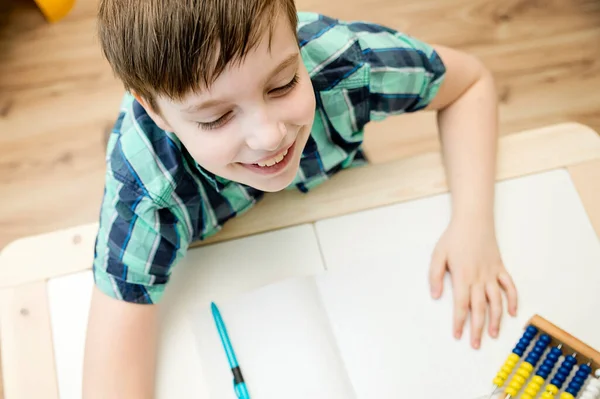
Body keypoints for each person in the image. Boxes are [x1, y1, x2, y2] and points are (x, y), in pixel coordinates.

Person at [83, 0, 519, 396]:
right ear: (155, 111)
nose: (270, 135)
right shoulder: (144, 186)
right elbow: (111, 373)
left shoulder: (338, 59)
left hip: (346, 220)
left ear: (296, 40)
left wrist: (473, 223)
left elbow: (470, 84)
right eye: (216, 118)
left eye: (284, 84)